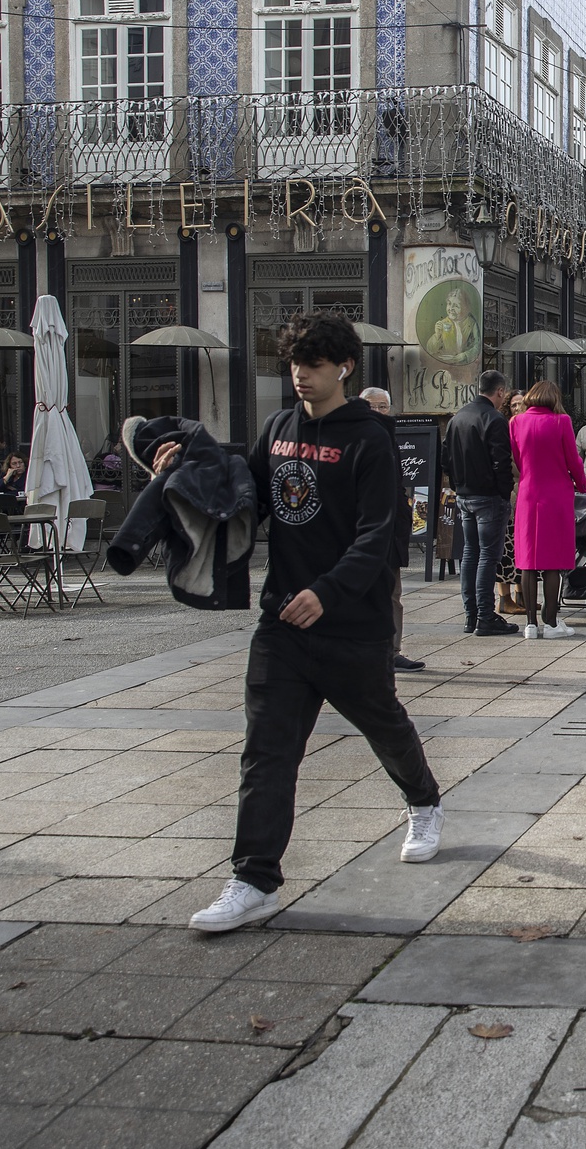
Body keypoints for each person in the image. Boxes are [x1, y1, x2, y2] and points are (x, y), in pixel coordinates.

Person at [175, 311, 443, 933]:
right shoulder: (276, 427)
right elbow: (243, 498)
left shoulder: (370, 439)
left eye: (313, 365)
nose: (300, 375)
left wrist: (329, 592)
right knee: (266, 753)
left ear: (344, 367)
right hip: (283, 626)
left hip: (353, 624)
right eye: (294, 364)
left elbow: (379, 534)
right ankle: (253, 880)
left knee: (384, 724)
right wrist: (183, 467)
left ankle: (423, 801)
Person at [443, 372, 522, 636]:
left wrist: (457, 485)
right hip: (488, 496)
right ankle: (485, 616)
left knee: (470, 554)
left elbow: (446, 458)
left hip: (465, 495)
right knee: (488, 556)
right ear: (500, 392)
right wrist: (504, 492)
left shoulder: (458, 417)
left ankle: (471, 615)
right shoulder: (494, 418)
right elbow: (501, 461)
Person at [511, 379, 586, 637]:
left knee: (528, 561)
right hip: (555, 496)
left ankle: (531, 625)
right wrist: (582, 484)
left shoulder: (516, 422)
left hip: (527, 493)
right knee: (553, 561)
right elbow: (573, 459)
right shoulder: (561, 421)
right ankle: (553, 624)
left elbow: (517, 459)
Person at [360, 387, 425, 672]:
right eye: (372, 407)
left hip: (390, 530)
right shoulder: (354, 440)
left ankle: (391, 650)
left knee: (392, 593)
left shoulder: (390, 438)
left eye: (383, 407)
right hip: (362, 531)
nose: (378, 412)